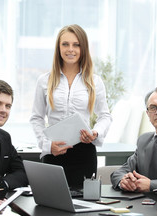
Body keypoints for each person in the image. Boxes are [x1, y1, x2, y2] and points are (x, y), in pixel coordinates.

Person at [30, 24, 112, 189]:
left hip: (84, 153)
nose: (70, 49)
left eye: (76, 45)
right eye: (65, 44)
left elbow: (105, 116)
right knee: (51, 206)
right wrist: (46, 145)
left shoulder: (94, 81)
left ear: (83, 48)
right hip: (54, 152)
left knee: (83, 205)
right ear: (58, 48)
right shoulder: (44, 81)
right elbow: (36, 117)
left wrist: (96, 132)